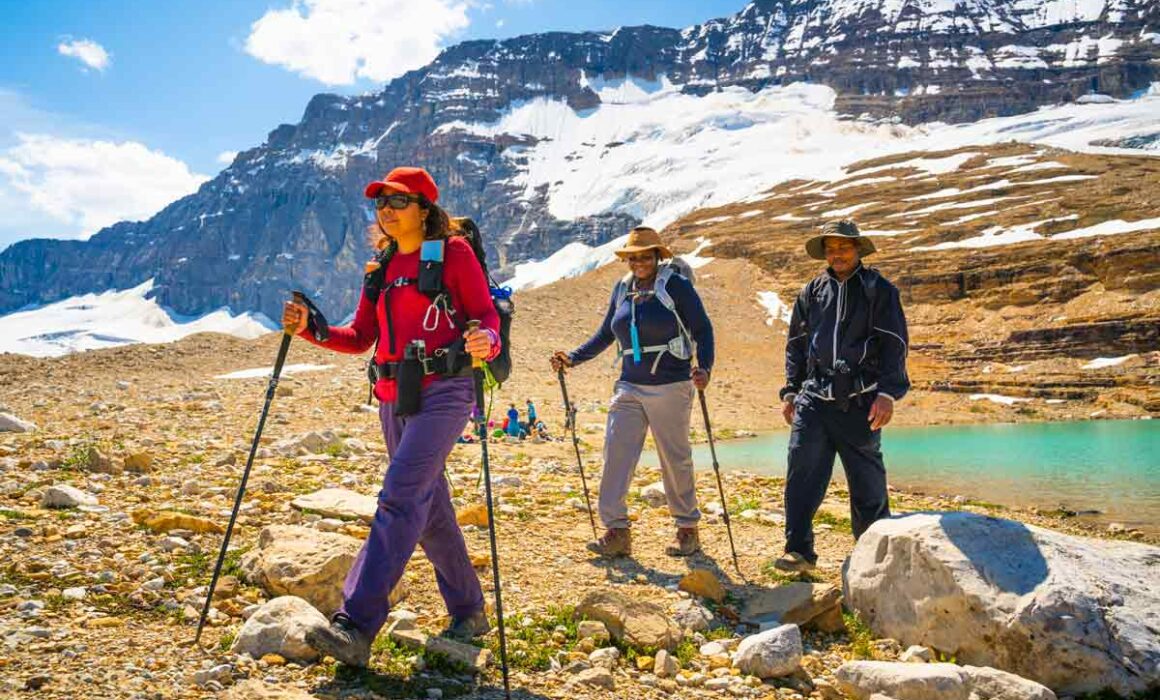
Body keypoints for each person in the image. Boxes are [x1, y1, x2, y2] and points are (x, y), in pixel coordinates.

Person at [281, 166, 501, 666]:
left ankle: (355, 625)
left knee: (399, 499)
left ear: (424, 208)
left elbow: (485, 315)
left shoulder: (454, 253)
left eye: (398, 201)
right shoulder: (379, 268)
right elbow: (359, 337)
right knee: (430, 512)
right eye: (380, 201)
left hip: (445, 391)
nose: (386, 209)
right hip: (392, 398)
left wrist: (486, 340)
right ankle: (469, 610)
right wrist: (310, 330)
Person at [551, 226, 714, 557]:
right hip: (628, 385)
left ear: (657, 256)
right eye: (633, 257)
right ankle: (617, 531)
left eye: (645, 256)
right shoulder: (622, 289)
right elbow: (605, 334)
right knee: (616, 455)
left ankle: (687, 528)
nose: (639, 262)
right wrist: (573, 358)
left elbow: (702, 328)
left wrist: (705, 367)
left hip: (670, 385)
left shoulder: (676, 286)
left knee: (674, 458)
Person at [775, 219, 910, 573]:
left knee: (867, 483)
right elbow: (796, 346)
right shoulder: (811, 292)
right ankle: (799, 551)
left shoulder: (879, 290)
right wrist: (791, 390)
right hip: (814, 400)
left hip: (861, 401)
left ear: (857, 250)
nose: (836, 255)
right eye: (830, 249)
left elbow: (895, 344)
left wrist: (888, 394)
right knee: (801, 474)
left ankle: (872, 558)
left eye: (843, 248)